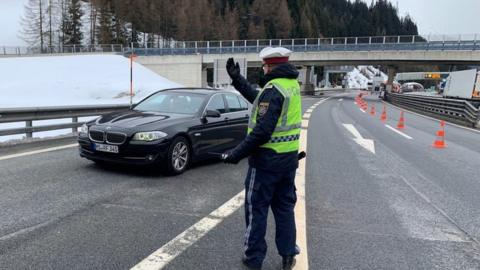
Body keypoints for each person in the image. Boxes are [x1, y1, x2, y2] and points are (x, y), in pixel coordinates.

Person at [221, 47, 302, 270]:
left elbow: (262, 131)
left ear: (271, 65)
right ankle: (288, 255)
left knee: (256, 210)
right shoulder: (291, 86)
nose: (264, 69)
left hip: (266, 163)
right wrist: (237, 80)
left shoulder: (274, 89)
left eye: (265, 66)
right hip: (288, 162)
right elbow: (259, 100)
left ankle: (253, 258)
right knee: (284, 209)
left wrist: (235, 154)